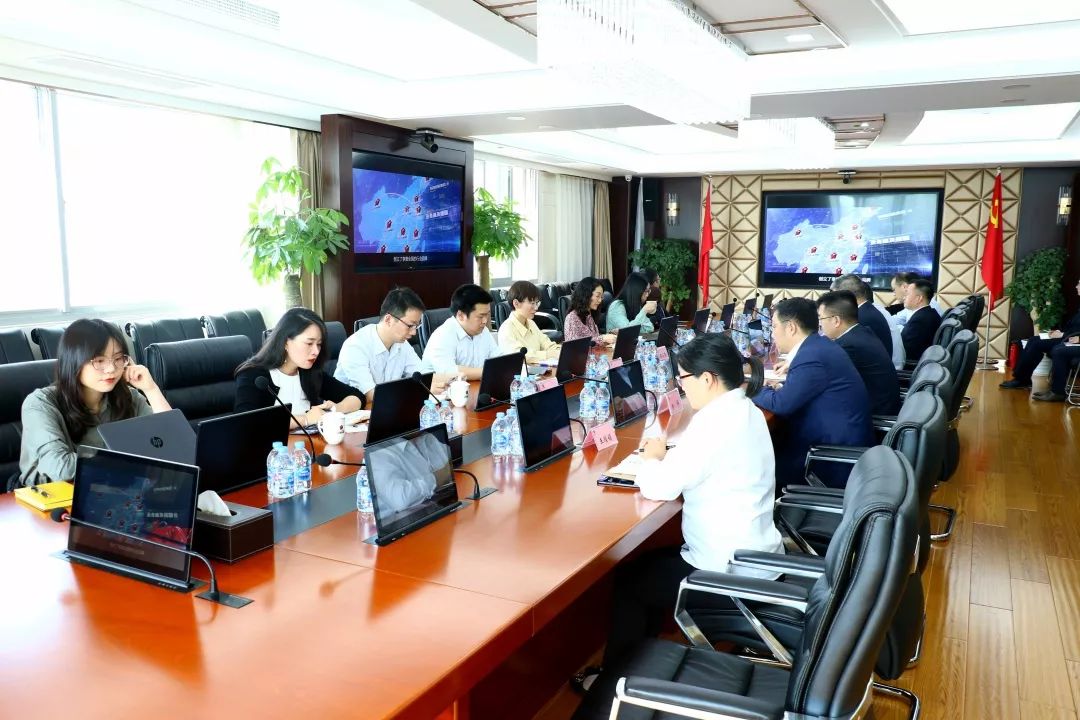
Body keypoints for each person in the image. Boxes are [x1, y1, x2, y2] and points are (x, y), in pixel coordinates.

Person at [596, 332, 783, 672]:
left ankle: (615, 679)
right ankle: (643, 664)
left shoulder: (713, 423)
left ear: (707, 379)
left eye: (683, 378)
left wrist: (652, 459)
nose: (681, 387)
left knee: (630, 582)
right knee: (648, 567)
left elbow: (662, 487)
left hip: (727, 574)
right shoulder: (746, 408)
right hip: (758, 558)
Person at [17, 319, 172, 487]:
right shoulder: (40, 404)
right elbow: (61, 468)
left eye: (118, 358)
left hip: (112, 487)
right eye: (99, 360)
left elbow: (171, 444)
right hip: (51, 494)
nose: (111, 369)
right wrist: (129, 461)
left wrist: (151, 389)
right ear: (74, 361)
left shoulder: (127, 396)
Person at [752, 298, 873, 488]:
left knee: (757, 464)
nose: (772, 334)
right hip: (837, 440)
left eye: (774, 326)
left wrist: (751, 388)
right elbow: (805, 389)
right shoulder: (818, 346)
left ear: (791, 327)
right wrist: (780, 387)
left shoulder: (811, 356)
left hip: (831, 457)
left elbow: (781, 404)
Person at [234, 307, 364, 428]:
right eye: (309, 343)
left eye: (319, 344)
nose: (316, 351)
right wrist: (305, 419)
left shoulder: (309, 371)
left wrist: (334, 410)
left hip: (309, 443)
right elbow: (244, 423)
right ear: (286, 342)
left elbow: (357, 396)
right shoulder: (254, 374)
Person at [334, 288, 448, 405]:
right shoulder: (355, 346)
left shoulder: (402, 344)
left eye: (416, 326)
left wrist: (446, 381)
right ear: (388, 319)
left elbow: (422, 375)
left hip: (386, 407)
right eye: (410, 325)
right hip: (348, 412)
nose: (414, 332)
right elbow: (372, 395)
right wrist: (419, 390)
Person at [817, 291, 901, 416]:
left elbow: (821, 382)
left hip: (875, 415)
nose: (820, 323)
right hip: (882, 404)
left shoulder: (848, 346)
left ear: (836, 320)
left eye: (821, 318)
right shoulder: (862, 332)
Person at [1001, 278, 1080, 401]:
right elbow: (1075, 326)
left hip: (1074, 340)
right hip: (1069, 337)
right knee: (1034, 341)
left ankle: (1057, 392)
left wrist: (1074, 337)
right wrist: (1060, 332)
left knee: (1057, 350)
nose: (1076, 286)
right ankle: (1022, 379)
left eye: (1079, 284)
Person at [420, 283, 501, 380]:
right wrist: (488, 371)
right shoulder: (442, 335)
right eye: (480, 316)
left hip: (474, 386)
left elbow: (498, 359)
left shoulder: (483, 331)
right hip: (442, 389)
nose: (485, 321)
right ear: (461, 315)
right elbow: (449, 372)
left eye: (487, 314)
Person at [831, 274, 894, 358]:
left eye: (834, 297)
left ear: (845, 296)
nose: (833, 303)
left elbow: (842, 348)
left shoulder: (861, 317)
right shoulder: (866, 310)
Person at [497, 280, 560, 364]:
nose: (536, 308)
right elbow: (520, 356)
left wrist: (560, 351)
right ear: (516, 303)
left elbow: (546, 344)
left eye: (537, 303)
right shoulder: (506, 329)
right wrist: (549, 354)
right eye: (532, 303)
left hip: (538, 369)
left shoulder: (531, 323)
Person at [900, 278, 942, 364]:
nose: (904, 297)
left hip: (912, 366)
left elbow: (905, 352)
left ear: (919, 298)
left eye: (907, 294)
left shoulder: (919, 321)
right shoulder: (929, 314)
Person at [563, 277, 615, 345]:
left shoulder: (589, 314)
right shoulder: (572, 318)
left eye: (601, 297)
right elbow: (574, 345)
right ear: (586, 294)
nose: (600, 301)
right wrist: (602, 339)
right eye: (597, 296)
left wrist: (609, 335)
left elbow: (593, 339)